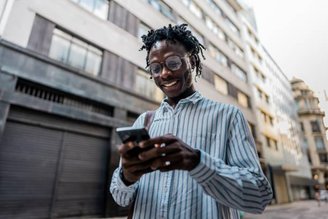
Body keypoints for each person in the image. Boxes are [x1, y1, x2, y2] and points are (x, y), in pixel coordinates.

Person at [110, 24, 272, 219]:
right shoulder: (144, 122)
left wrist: (198, 162)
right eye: (155, 68)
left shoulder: (228, 116)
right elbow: (120, 199)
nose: (164, 74)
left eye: (173, 63)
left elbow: (259, 197)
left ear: (192, 62)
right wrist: (127, 177)